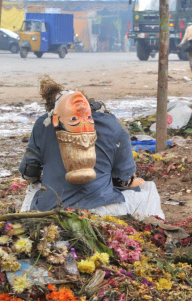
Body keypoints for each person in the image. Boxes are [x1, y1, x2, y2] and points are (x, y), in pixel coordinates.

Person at [19, 76, 165, 220]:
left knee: (35, 187)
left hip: (50, 212)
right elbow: (124, 178)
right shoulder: (113, 124)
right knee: (147, 189)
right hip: (103, 212)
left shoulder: (42, 124)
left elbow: (29, 173)